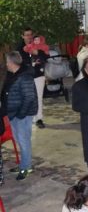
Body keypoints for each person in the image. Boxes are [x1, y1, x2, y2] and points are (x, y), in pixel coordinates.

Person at [2, 51, 38, 180]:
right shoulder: (13, 74)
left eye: (7, 61)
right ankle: (24, 163)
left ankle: (26, 167)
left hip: (21, 114)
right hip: (14, 114)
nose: (6, 64)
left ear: (12, 63)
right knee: (20, 140)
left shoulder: (24, 76)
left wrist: (21, 114)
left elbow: (29, 97)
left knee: (24, 142)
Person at [18, 28, 48, 129]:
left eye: (30, 34)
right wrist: (31, 63)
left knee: (38, 97)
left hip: (38, 74)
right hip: (25, 76)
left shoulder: (38, 44)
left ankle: (39, 119)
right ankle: (28, 118)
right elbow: (18, 63)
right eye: (26, 35)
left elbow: (45, 56)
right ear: (22, 36)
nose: (29, 37)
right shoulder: (19, 48)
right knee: (27, 97)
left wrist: (38, 52)